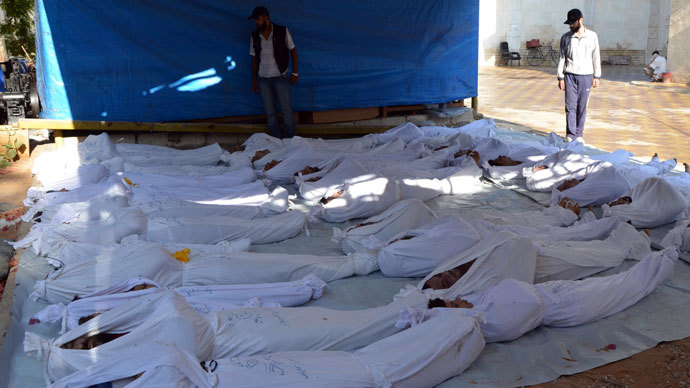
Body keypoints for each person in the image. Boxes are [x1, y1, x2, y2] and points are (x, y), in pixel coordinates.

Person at [249, 6, 299, 139]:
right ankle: (276, 142)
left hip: (281, 77)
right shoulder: (254, 36)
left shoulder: (282, 31)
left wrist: (295, 73)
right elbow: (254, 60)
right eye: (254, 20)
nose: (256, 22)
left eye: (258, 19)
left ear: (266, 18)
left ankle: (290, 142)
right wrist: (254, 81)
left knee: (286, 110)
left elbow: (293, 51)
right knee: (270, 113)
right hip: (264, 79)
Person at [557, 8, 601, 140]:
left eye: (573, 23)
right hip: (569, 76)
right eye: (569, 23)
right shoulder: (566, 37)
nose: (571, 26)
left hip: (586, 76)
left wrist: (597, 76)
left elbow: (596, 56)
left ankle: (579, 135)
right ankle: (570, 135)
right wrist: (560, 77)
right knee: (570, 107)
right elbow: (562, 58)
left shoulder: (592, 36)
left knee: (582, 107)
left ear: (580, 20)